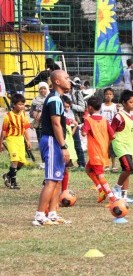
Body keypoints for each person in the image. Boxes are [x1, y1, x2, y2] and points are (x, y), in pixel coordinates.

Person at [32, 70, 72, 226]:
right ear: (57, 81)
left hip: (54, 141)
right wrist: (63, 146)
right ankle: (40, 216)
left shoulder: (58, 99)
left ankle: (53, 214)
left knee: (57, 179)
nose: (69, 81)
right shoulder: (54, 99)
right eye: (66, 78)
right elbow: (55, 124)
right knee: (50, 180)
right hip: (51, 141)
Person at [81, 96, 117, 204]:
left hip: (95, 152)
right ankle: (100, 189)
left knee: (100, 175)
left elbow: (84, 133)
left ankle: (112, 197)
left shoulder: (89, 120)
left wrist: (82, 127)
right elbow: (113, 135)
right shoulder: (104, 120)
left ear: (90, 108)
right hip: (102, 151)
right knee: (88, 169)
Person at [110, 90, 133, 203]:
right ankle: (116, 188)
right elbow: (111, 130)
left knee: (126, 170)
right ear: (123, 103)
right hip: (120, 145)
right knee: (129, 168)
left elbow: (132, 133)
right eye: (130, 102)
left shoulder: (132, 115)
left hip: (128, 146)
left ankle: (124, 196)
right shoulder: (119, 116)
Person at [0, 94, 32, 189]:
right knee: (14, 160)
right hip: (11, 138)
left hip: (20, 139)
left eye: (23, 104)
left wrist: (28, 140)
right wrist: (1, 142)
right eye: (19, 104)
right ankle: (13, 183)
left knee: (22, 162)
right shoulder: (8, 116)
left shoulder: (23, 114)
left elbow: (25, 128)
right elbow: (4, 130)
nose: (22, 106)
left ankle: (8, 175)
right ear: (13, 105)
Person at [64, 77, 86, 169]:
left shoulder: (77, 93)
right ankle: (68, 163)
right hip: (64, 122)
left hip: (74, 122)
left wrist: (71, 105)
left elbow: (82, 108)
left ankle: (81, 163)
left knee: (77, 143)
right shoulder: (60, 95)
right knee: (65, 144)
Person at [100, 87, 119, 172]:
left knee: (112, 147)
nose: (108, 96)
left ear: (113, 96)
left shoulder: (115, 106)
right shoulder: (101, 106)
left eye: (110, 94)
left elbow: (117, 117)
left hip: (112, 128)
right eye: (107, 94)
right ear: (104, 96)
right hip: (103, 128)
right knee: (105, 147)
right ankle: (106, 164)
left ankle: (114, 165)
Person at [30, 82, 49, 149]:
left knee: (48, 141)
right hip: (38, 125)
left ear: (47, 89)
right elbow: (31, 112)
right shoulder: (35, 100)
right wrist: (33, 113)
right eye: (41, 89)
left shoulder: (49, 99)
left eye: (44, 88)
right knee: (40, 140)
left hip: (48, 124)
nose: (43, 90)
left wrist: (42, 113)